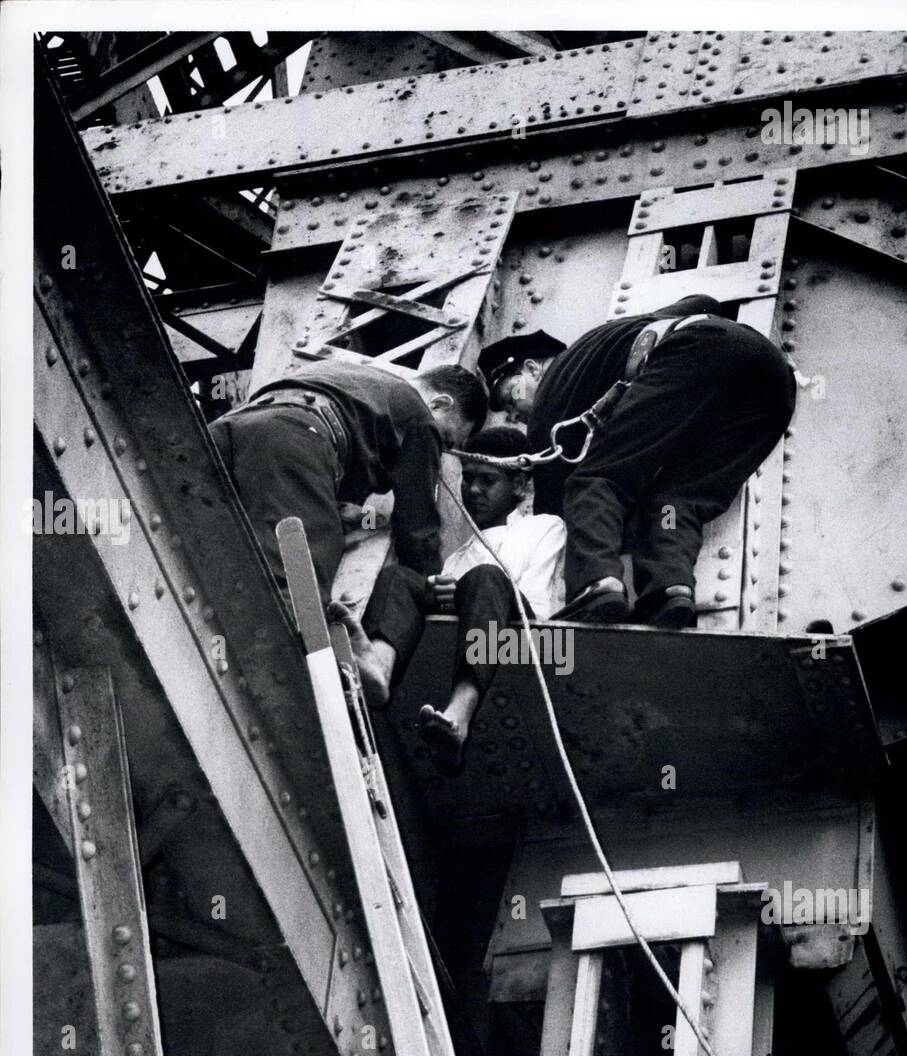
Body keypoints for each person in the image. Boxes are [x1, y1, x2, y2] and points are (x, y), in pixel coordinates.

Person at [478, 295, 796, 627]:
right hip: (769, 376)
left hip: (691, 353)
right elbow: (704, 301)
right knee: (676, 502)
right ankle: (670, 587)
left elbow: (553, 517)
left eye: (509, 397)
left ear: (532, 367)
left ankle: (597, 583)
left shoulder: (551, 393)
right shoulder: (618, 333)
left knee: (596, 481)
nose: (512, 415)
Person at [342, 426, 566, 774]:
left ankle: (459, 714)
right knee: (401, 577)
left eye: (487, 480)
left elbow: (533, 612)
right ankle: (379, 671)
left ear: (520, 486)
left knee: (487, 578)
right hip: (481, 641)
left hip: (537, 646)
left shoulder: (544, 527)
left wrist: (464, 593)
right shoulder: (457, 558)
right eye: (467, 478)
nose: (472, 489)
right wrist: (437, 596)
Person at [209, 357, 488, 605]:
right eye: (446, 439)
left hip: (226, 430)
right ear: (439, 403)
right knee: (298, 574)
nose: (440, 448)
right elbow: (416, 520)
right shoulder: (421, 417)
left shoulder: (346, 374)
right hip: (294, 438)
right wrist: (427, 580)